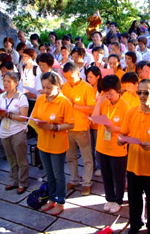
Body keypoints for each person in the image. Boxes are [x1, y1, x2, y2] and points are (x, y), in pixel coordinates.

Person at [118, 79, 150, 234]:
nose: (141, 95)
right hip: (133, 165)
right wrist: (121, 141)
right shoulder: (131, 112)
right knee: (134, 200)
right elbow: (123, 135)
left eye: (146, 92)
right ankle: (135, 225)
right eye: (139, 92)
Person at [31, 72, 75, 216]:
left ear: (58, 86)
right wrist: (37, 123)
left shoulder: (64, 102)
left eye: (49, 88)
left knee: (58, 174)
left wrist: (54, 127)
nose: (46, 91)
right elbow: (35, 117)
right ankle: (51, 198)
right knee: (49, 173)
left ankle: (61, 200)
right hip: (43, 142)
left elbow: (70, 124)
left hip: (57, 143)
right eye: (44, 87)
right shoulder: (41, 99)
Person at [91, 75, 129, 213]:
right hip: (101, 145)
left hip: (117, 147)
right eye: (106, 93)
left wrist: (114, 129)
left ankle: (118, 199)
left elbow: (128, 129)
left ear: (118, 91)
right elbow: (94, 120)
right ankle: (109, 198)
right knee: (105, 175)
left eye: (111, 93)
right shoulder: (104, 102)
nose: (108, 96)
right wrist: (98, 103)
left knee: (118, 177)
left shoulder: (125, 107)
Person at [62, 62, 97, 196]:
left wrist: (74, 105)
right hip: (67, 127)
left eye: (70, 77)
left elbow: (92, 109)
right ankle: (74, 179)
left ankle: (87, 182)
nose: (68, 80)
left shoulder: (87, 88)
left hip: (81, 127)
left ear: (78, 74)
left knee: (87, 157)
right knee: (70, 156)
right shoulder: (65, 86)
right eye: (66, 77)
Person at [0, 72, 30, 194]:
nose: (5, 83)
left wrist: (9, 115)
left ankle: (23, 182)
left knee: (21, 158)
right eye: (4, 81)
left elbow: (24, 117)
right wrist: (0, 114)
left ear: (16, 83)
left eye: (8, 81)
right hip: (5, 131)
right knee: (11, 158)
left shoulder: (21, 97)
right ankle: (14, 180)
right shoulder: (2, 96)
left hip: (17, 130)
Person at [86, 66, 103, 176]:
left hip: (98, 122)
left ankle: (100, 166)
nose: (89, 79)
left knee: (98, 146)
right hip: (87, 121)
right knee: (89, 146)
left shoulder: (101, 90)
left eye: (91, 77)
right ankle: (90, 166)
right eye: (87, 77)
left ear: (98, 77)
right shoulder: (87, 88)